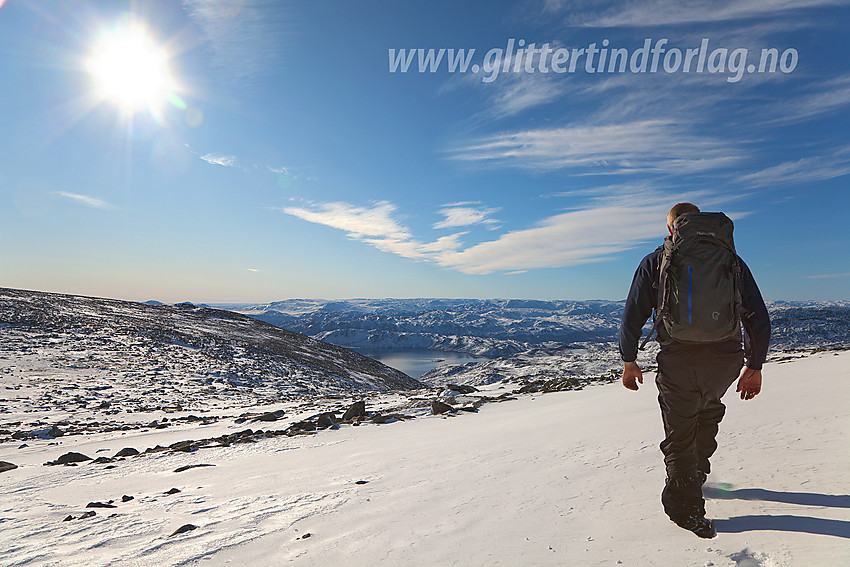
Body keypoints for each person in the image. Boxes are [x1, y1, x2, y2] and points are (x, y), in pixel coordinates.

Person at [618, 202, 771, 538]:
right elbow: (757, 317)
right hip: (727, 359)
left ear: (673, 228)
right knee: (708, 410)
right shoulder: (731, 259)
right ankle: (698, 473)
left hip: (680, 360)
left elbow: (632, 317)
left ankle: (684, 506)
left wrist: (629, 361)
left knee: (680, 431)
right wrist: (754, 366)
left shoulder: (657, 261)